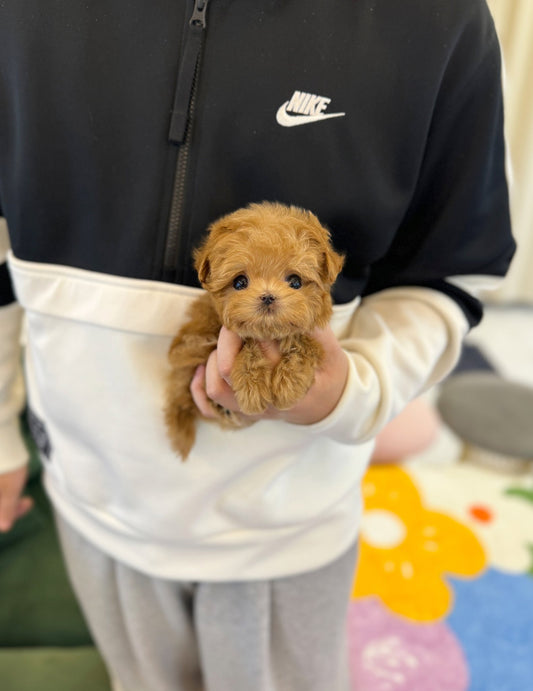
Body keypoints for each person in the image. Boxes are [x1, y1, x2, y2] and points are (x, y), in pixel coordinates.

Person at [0, 1, 515, 689]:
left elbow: (447, 273)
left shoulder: (435, 21)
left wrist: (355, 389)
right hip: (92, 498)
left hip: (289, 524)